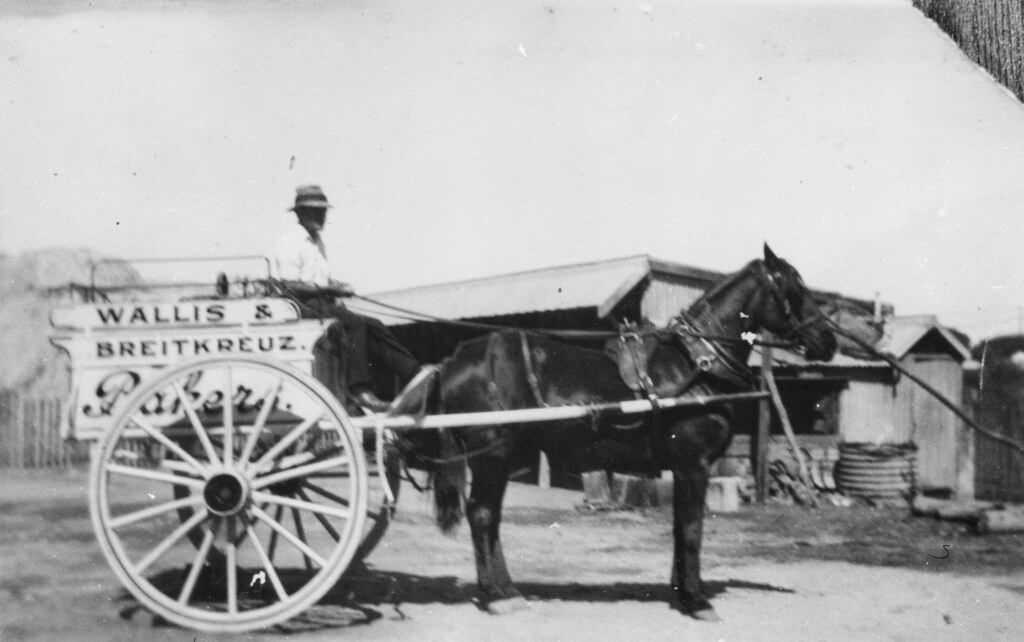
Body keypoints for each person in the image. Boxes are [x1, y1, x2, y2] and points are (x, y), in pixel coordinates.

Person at [272, 185, 420, 412]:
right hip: (301, 306)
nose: (321, 216)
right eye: (316, 211)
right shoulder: (291, 241)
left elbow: (319, 279)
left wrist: (336, 286)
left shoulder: (317, 242)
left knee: (374, 324)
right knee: (355, 324)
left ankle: (413, 373)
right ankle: (360, 390)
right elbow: (288, 285)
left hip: (321, 303)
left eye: (323, 211)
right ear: (301, 213)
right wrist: (329, 289)